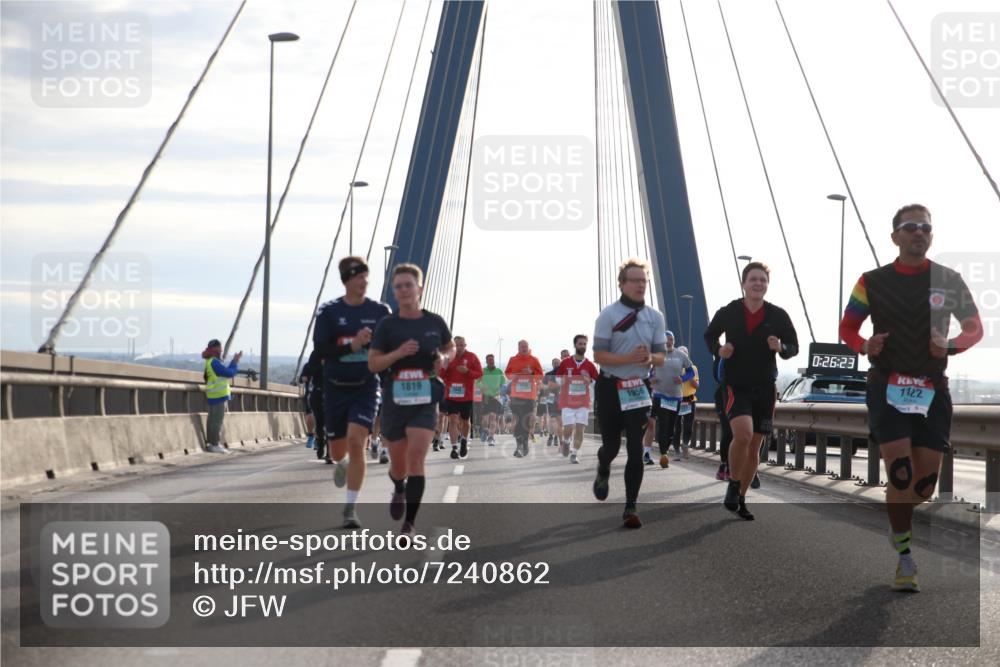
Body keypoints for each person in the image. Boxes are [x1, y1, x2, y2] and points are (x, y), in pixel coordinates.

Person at [839, 204, 983, 592]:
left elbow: (975, 328)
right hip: (886, 385)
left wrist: (949, 346)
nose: (919, 232)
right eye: (910, 227)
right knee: (899, 474)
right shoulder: (871, 281)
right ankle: (905, 556)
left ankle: (897, 516)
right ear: (895, 237)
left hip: (933, 390)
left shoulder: (949, 280)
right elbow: (847, 327)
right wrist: (865, 344)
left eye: (925, 227)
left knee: (922, 488)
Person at [705, 261, 798, 521]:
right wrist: (718, 349)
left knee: (756, 444)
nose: (758, 284)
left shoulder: (777, 315)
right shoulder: (730, 311)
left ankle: (742, 498)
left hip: (766, 388)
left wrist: (781, 347)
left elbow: (794, 346)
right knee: (743, 435)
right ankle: (734, 483)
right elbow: (710, 335)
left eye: (763, 280)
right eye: (753, 279)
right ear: (744, 283)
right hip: (736, 384)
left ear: (767, 285)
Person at [368, 264, 454, 541]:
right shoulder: (387, 325)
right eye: (399, 286)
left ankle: (409, 524)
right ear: (394, 292)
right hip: (395, 397)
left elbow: (449, 346)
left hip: (425, 398)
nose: (404, 290)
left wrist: (444, 359)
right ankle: (398, 486)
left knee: (417, 457)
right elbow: (373, 364)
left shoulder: (434, 321)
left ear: (420, 288)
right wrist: (399, 353)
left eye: (409, 285)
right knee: (399, 465)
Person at [313, 256, 391, 529]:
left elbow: (390, 345)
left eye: (367, 277)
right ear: (347, 279)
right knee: (337, 452)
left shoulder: (380, 311)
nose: (365, 282)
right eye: (359, 277)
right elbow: (321, 350)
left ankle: (350, 507)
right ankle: (342, 462)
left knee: (358, 441)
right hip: (335, 387)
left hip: (366, 387)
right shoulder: (329, 312)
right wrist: (352, 346)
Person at [592, 259, 667, 528]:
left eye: (643, 280)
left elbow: (661, 356)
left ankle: (631, 507)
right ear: (622, 284)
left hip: (638, 388)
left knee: (636, 449)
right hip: (611, 386)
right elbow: (599, 354)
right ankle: (603, 468)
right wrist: (627, 358)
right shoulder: (608, 315)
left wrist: (650, 357)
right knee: (611, 447)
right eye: (634, 280)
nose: (640, 285)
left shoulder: (654, 317)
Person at [648, 332, 693, 467]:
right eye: (667, 340)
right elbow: (650, 373)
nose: (669, 342)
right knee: (664, 423)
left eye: (671, 339)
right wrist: (652, 379)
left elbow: (691, 372)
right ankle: (664, 454)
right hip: (660, 394)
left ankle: (665, 449)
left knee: (671, 427)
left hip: (675, 396)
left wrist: (683, 378)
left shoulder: (681, 355)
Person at [556, 334, 599, 464]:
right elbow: (558, 379)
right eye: (580, 344)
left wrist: (589, 380)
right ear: (575, 345)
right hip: (567, 402)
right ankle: (566, 441)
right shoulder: (565, 362)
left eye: (584, 344)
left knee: (580, 428)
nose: (582, 346)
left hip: (583, 402)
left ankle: (574, 454)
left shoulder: (590, 365)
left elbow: (597, 383)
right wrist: (563, 380)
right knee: (568, 427)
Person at [440, 336, 483, 460]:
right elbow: (440, 375)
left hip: (467, 396)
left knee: (465, 422)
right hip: (452, 394)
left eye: (461, 345)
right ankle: (454, 448)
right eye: (456, 345)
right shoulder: (448, 357)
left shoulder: (472, 357)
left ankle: (463, 441)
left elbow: (480, 374)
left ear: (465, 345)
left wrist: (468, 371)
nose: (458, 347)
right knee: (453, 419)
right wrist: (445, 367)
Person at [504, 341, 544, 457]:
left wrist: (531, 373)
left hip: (530, 396)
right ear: (518, 348)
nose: (524, 348)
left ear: (528, 347)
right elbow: (507, 374)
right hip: (516, 395)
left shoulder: (534, 360)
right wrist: (513, 376)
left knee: (526, 421)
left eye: (526, 346)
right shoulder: (513, 359)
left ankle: (525, 443)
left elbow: (540, 376)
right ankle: (519, 446)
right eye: (522, 347)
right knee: (517, 419)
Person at [202, 339, 242, 454]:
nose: (221, 350)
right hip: (218, 395)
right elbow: (228, 373)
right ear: (216, 348)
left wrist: (234, 361)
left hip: (213, 394)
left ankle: (211, 444)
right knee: (217, 421)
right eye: (219, 348)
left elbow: (223, 372)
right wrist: (235, 362)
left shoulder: (210, 361)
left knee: (212, 420)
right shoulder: (214, 362)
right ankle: (215, 444)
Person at [299, 350, 328, 461]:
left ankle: (329, 452)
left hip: (332, 393)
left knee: (330, 421)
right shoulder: (315, 354)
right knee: (319, 422)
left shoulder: (335, 353)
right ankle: (319, 443)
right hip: (316, 393)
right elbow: (306, 373)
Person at [674, 346, 699, 460]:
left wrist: (689, 376)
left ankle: (685, 444)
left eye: (684, 355)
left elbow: (697, 385)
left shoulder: (693, 368)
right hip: (677, 399)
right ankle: (676, 450)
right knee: (676, 426)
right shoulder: (673, 368)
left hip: (689, 400)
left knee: (689, 426)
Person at [712, 356, 733, 481]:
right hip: (724, 396)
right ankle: (724, 464)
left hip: (743, 397)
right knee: (728, 432)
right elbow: (719, 376)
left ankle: (735, 466)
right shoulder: (723, 353)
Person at [479, 354, 506, 446]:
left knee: (493, 416)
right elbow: (477, 382)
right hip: (485, 397)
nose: (491, 361)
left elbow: (503, 383)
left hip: (495, 397)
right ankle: (485, 430)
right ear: (486, 361)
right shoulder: (483, 371)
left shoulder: (499, 371)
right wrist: (482, 387)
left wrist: (499, 391)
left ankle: (491, 437)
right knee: (485, 418)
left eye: (492, 360)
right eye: (489, 360)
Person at [544, 358, 563, 449]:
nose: (556, 364)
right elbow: (543, 386)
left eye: (558, 363)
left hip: (562, 399)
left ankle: (555, 437)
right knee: (553, 420)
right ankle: (552, 436)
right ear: (552, 364)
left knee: (560, 421)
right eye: (554, 363)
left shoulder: (564, 374)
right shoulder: (548, 374)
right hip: (551, 398)